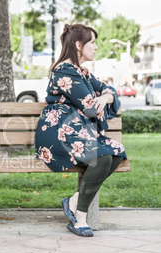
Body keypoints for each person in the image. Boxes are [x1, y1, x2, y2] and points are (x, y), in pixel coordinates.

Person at [35, 24, 127, 237]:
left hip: (76, 130)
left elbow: (108, 92)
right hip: (58, 132)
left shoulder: (82, 73)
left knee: (116, 151)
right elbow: (91, 109)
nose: (96, 47)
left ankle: (75, 200)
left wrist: (105, 97)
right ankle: (80, 217)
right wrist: (101, 100)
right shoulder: (64, 72)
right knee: (101, 158)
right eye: (92, 42)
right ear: (78, 45)